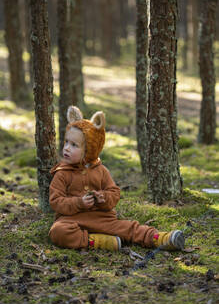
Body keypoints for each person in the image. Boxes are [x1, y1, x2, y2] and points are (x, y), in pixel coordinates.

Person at [49, 106, 185, 252]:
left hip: (102, 218)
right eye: (66, 142)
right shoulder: (62, 173)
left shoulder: (101, 171)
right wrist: (79, 203)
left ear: (90, 150)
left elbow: (114, 192)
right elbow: (55, 201)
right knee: (58, 231)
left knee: (129, 227)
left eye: (74, 145)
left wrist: (104, 198)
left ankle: (160, 238)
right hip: (71, 220)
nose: (67, 148)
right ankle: (97, 241)